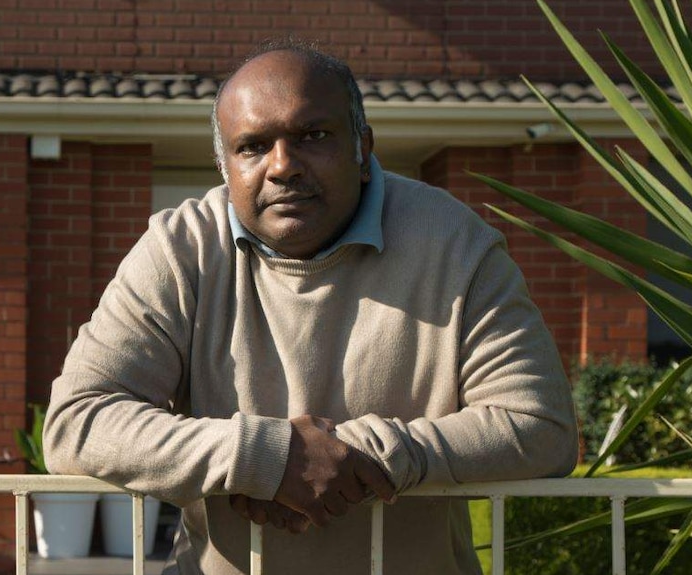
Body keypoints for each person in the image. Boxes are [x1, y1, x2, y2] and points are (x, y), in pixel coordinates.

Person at [43, 41, 578, 575]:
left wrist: (367, 454)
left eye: (313, 136)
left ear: (362, 149)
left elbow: (541, 428)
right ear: (224, 167)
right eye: (252, 147)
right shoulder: (180, 248)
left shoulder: (454, 243)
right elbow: (77, 422)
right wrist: (263, 457)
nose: (282, 167)